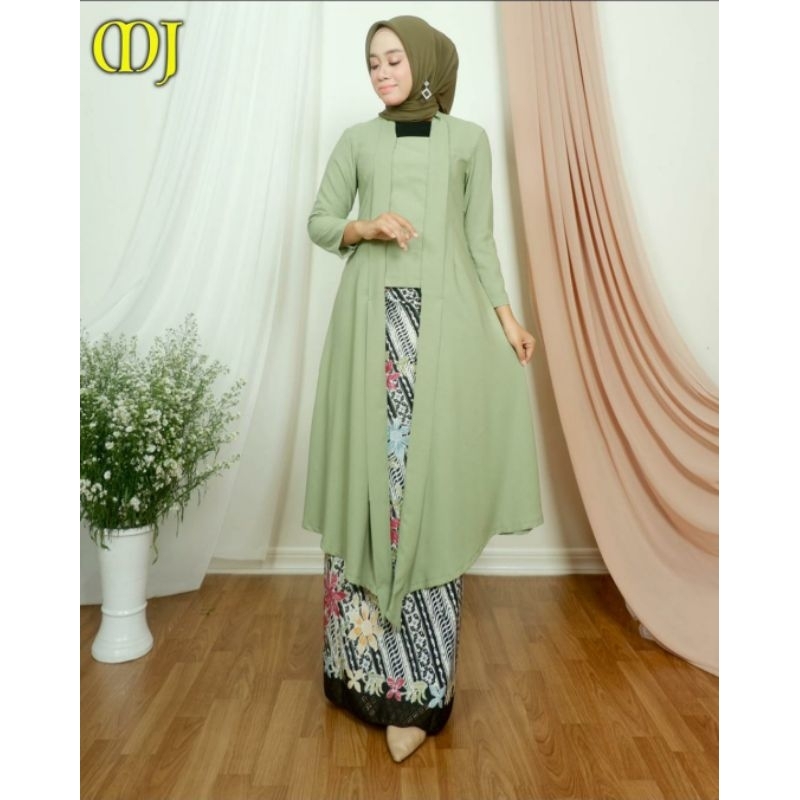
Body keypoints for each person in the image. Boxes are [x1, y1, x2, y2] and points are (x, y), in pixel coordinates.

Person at [303, 15, 544, 763]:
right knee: (369, 496)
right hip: (367, 336)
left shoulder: (469, 141)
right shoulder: (358, 141)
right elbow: (320, 222)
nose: (381, 72)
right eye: (372, 61)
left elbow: (479, 241)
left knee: (422, 502)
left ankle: (418, 696)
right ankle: (356, 675)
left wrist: (508, 320)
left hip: (441, 339)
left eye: (394, 59)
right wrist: (366, 227)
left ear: (428, 63)